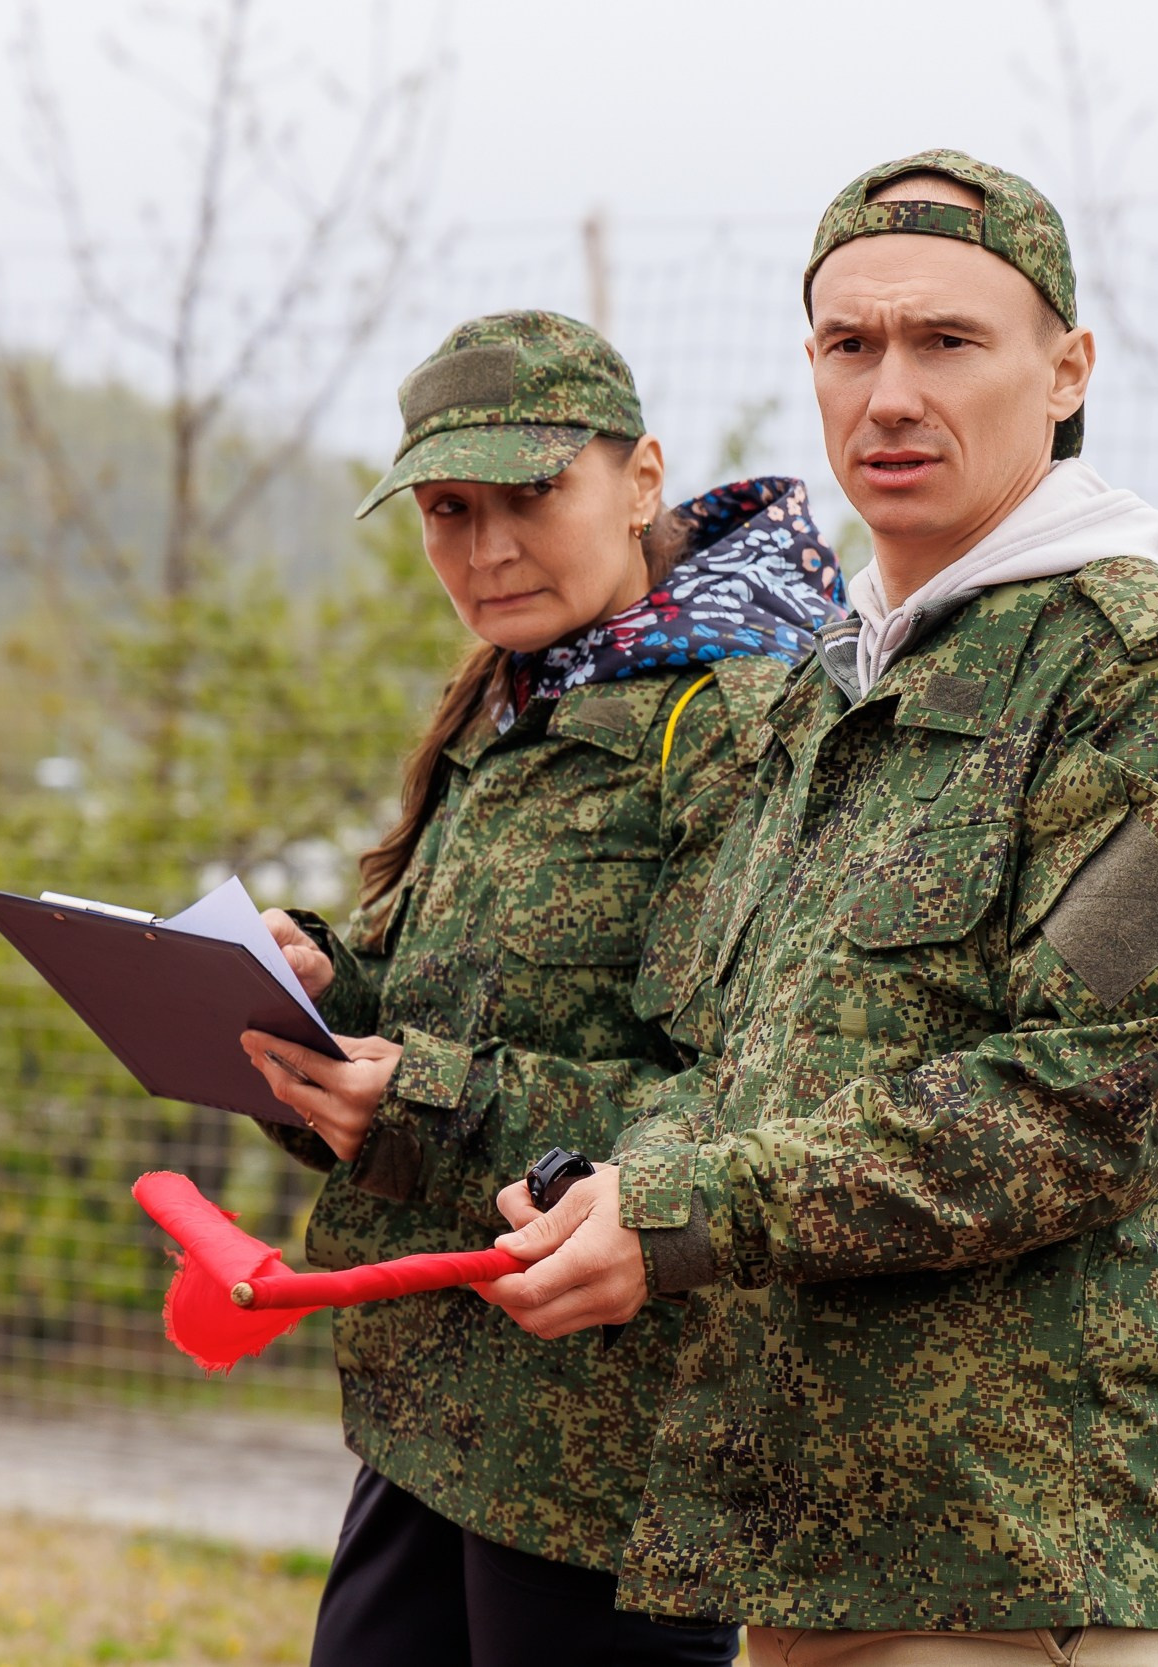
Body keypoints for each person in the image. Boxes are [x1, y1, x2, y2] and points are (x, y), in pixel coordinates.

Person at [477, 153, 1158, 1664]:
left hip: (1009, 1561)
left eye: (948, 342)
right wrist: (610, 1184)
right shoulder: (831, 694)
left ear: (1067, 373)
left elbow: (1080, 1098)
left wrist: (692, 1214)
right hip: (805, 1543)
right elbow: (745, 1070)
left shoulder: (1154, 699)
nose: (891, 395)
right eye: (850, 345)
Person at [241, 308, 846, 1667]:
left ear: (641, 480)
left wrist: (419, 1104)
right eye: (448, 510)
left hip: (611, 1444)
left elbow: (742, 1103)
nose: (488, 548)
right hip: (439, 1398)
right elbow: (459, 1003)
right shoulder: (518, 690)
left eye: (531, 496)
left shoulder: (739, 720)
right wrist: (324, 990)